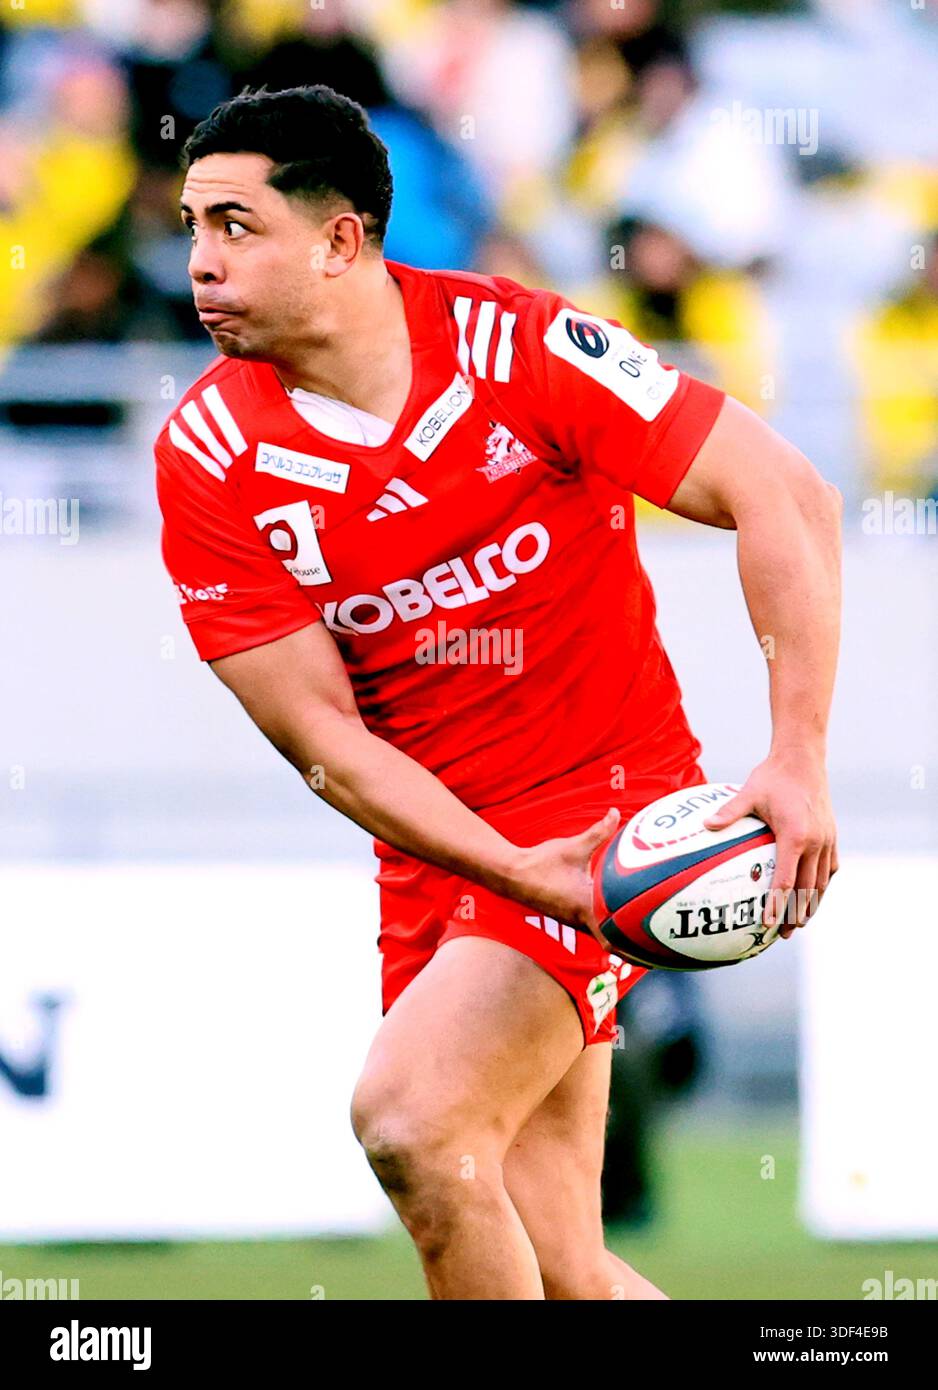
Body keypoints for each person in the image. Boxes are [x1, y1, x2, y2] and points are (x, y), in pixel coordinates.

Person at [154, 85, 841, 1301]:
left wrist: (795, 755)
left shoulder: (517, 348)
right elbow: (319, 736)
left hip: (603, 809)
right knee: (563, 1267)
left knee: (412, 1123)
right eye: (194, 227)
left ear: (341, 239)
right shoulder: (207, 456)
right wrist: (501, 866)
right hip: (447, 857)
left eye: (234, 226)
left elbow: (781, 493)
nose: (198, 263)